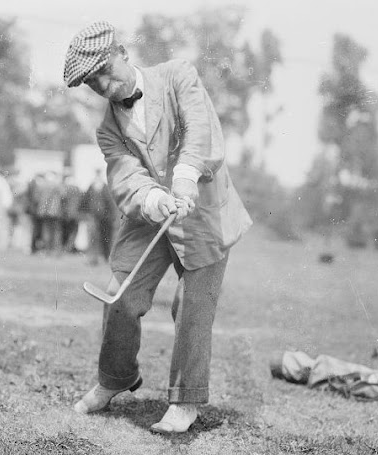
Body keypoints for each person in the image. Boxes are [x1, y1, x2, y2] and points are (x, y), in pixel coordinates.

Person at [64, 22, 252, 433]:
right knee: (119, 296)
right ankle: (115, 378)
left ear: (123, 53)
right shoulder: (107, 130)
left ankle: (185, 402)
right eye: (90, 81)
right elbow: (126, 179)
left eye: (104, 69)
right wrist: (154, 198)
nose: (101, 83)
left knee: (192, 306)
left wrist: (183, 179)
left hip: (203, 211)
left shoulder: (178, 75)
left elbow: (200, 131)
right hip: (150, 216)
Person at [80, 169, 119, 265]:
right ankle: (93, 259)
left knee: (106, 239)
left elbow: (110, 204)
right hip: (93, 217)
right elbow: (85, 202)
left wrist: (111, 217)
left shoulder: (105, 187)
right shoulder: (91, 187)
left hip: (105, 219)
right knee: (93, 239)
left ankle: (107, 258)